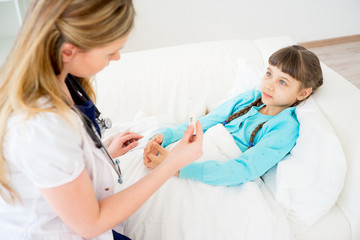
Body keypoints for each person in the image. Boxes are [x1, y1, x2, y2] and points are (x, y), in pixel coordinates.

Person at [0, 0, 203, 239]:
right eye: (109, 52)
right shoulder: (41, 124)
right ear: (68, 50)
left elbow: (59, 164)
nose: (117, 57)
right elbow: (90, 223)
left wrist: (103, 153)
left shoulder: (61, 80)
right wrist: (172, 164)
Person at [143, 45, 323, 186]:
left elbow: (245, 169)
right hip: (195, 150)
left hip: (213, 172)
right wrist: (164, 137)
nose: (268, 85)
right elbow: (204, 123)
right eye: (269, 74)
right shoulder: (249, 98)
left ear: (302, 93)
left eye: (282, 82)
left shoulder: (285, 127)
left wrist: (176, 168)